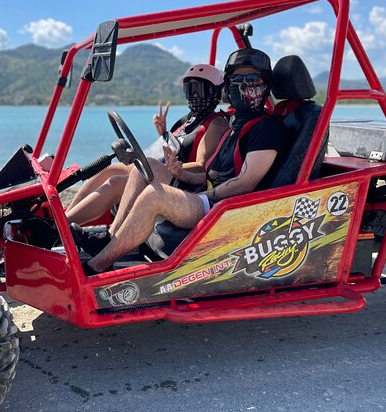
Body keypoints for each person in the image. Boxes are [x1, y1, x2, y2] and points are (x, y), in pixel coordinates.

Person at [84, 47, 291, 274]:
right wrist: (181, 174)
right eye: (236, 78)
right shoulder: (236, 124)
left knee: (155, 194)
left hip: (226, 207)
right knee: (148, 166)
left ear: (265, 85)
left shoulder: (267, 128)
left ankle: (97, 267)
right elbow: (211, 174)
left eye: (251, 78)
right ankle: (112, 238)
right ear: (228, 85)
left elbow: (246, 183)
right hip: (209, 195)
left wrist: (201, 195)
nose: (243, 84)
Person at [65, 64, 229, 227]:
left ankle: (63, 228)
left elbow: (201, 166)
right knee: (109, 169)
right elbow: (177, 148)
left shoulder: (216, 123)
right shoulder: (188, 120)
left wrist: (167, 168)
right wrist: (163, 133)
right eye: (189, 90)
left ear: (213, 92)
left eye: (198, 90)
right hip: (164, 171)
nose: (193, 95)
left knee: (116, 183)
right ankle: (62, 219)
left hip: (185, 183)